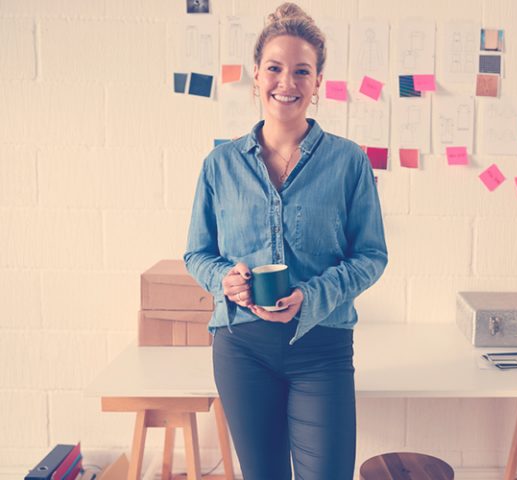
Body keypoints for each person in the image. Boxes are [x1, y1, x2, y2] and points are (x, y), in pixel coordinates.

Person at [183, 3, 388, 479]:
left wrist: (311, 296)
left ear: (318, 82)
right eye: (275, 68)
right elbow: (197, 252)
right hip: (241, 347)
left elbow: (372, 256)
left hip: (322, 345)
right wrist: (225, 280)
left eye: (302, 71)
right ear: (256, 76)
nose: (286, 82)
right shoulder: (220, 165)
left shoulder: (349, 161)